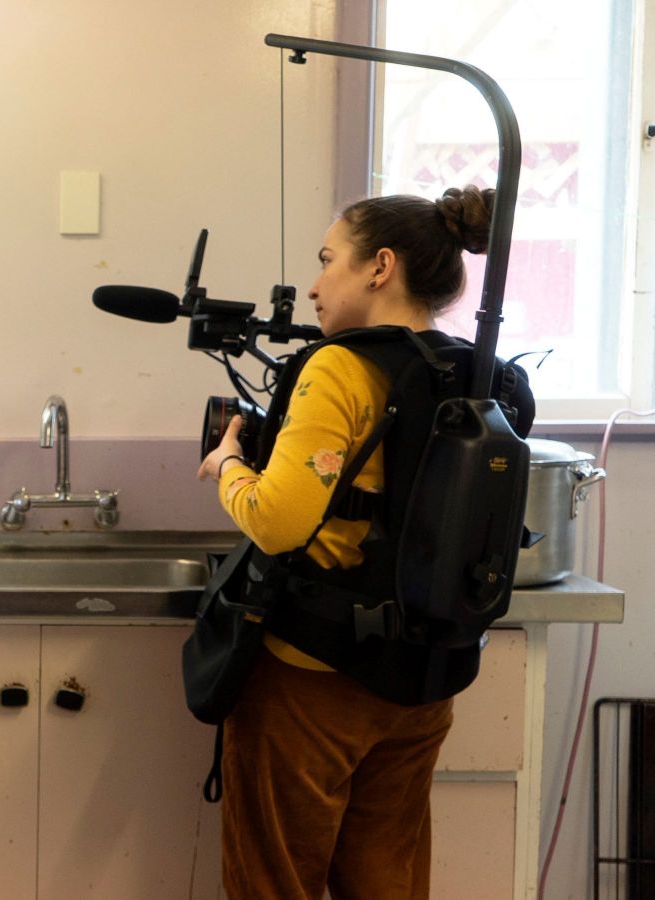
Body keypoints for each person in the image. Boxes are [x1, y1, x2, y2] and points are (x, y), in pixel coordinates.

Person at [194, 185, 534, 899]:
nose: (315, 286)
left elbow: (280, 520)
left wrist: (227, 464)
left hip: (315, 677)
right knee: (387, 877)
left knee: (274, 879)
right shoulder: (482, 374)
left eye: (328, 261)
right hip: (424, 676)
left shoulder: (341, 366)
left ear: (380, 267)